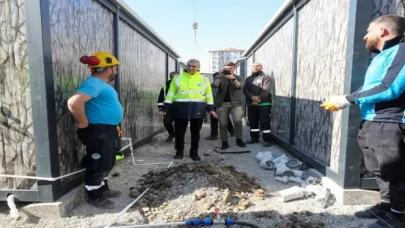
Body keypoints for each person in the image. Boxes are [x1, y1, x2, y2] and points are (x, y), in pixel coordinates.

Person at [321, 15, 405, 228]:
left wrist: (348, 99)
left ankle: (399, 216)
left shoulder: (401, 51)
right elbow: (373, 86)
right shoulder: (382, 55)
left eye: (369, 30)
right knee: (377, 168)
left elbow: (389, 88)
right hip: (372, 120)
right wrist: (346, 99)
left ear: (383, 31)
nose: (365, 35)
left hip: (390, 121)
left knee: (395, 171)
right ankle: (387, 205)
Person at [67, 52, 123, 209]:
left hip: (106, 129)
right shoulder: (94, 83)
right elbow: (73, 103)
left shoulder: (101, 85)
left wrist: (114, 123)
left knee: (109, 160)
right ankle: (94, 196)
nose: (116, 71)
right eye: (115, 68)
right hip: (98, 131)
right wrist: (83, 121)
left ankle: (102, 189)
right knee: (99, 162)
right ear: (108, 70)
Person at [163, 59, 217, 161]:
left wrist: (211, 109)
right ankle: (179, 152)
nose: (191, 68)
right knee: (179, 132)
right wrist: (166, 107)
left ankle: (194, 152)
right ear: (186, 66)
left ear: (198, 68)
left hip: (198, 108)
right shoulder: (177, 78)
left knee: (195, 132)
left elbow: (209, 95)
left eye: (194, 66)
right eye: (189, 65)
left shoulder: (204, 79)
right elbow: (170, 94)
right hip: (180, 107)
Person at [212, 62, 246, 150]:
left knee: (238, 122)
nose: (228, 69)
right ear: (224, 68)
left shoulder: (238, 77)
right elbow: (214, 86)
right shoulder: (220, 77)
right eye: (227, 68)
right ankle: (224, 142)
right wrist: (220, 77)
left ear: (234, 68)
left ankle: (239, 140)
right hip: (222, 104)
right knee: (223, 124)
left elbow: (240, 87)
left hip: (236, 103)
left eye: (230, 68)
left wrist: (233, 79)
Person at [243, 62, 273, 147]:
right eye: (253, 66)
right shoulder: (248, 79)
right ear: (251, 67)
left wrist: (258, 99)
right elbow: (245, 90)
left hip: (264, 103)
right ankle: (254, 138)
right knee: (253, 122)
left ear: (261, 67)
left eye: (257, 66)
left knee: (264, 121)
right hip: (251, 104)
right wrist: (252, 97)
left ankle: (267, 140)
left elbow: (266, 90)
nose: (255, 67)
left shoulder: (266, 77)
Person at [206, 72, 235, 140]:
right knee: (213, 120)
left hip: (222, 104)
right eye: (215, 77)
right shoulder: (212, 85)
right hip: (213, 104)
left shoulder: (225, 85)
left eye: (218, 77)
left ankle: (232, 132)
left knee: (226, 119)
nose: (217, 78)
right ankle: (213, 135)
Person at [158, 71, 178, 142]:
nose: (172, 78)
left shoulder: (182, 84)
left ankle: (179, 138)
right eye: (171, 77)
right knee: (166, 122)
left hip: (179, 107)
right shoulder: (166, 84)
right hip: (168, 107)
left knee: (179, 124)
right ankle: (172, 133)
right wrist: (160, 107)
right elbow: (161, 96)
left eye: (174, 77)